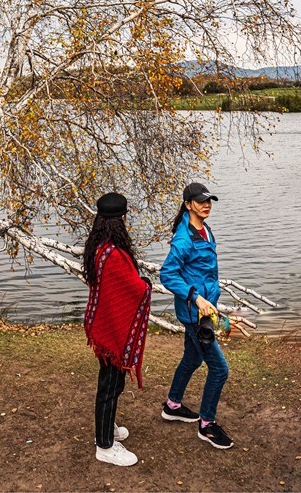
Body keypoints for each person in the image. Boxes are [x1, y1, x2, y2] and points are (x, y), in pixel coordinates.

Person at [159, 182, 233, 450]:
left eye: (209, 200)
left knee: (192, 358)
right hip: (194, 313)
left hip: (204, 309)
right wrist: (197, 297)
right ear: (188, 204)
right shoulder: (184, 239)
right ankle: (207, 425)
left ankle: (172, 405)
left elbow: (203, 271)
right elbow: (167, 274)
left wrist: (211, 300)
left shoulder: (204, 229)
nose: (206, 205)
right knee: (219, 369)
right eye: (201, 201)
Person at [83, 192, 152, 467]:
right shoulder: (113, 254)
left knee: (112, 382)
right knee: (110, 385)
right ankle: (105, 445)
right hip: (111, 332)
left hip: (104, 325)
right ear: (121, 219)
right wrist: (146, 284)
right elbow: (134, 289)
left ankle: (106, 427)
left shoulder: (99, 247)